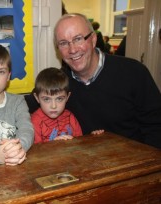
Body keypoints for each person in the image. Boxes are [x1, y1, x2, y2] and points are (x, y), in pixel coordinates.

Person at [54, 13, 161, 149]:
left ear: (93, 40)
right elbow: (29, 106)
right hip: (85, 164)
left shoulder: (133, 72)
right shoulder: (58, 82)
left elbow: (156, 127)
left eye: (78, 39)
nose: (72, 49)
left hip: (133, 162)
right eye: (63, 43)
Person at [31, 67, 104, 143]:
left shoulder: (70, 117)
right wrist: (53, 145)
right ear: (37, 98)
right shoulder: (35, 122)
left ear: (67, 97)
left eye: (59, 99)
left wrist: (91, 137)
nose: (53, 106)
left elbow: (80, 143)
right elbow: (36, 152)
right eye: (46, 99)